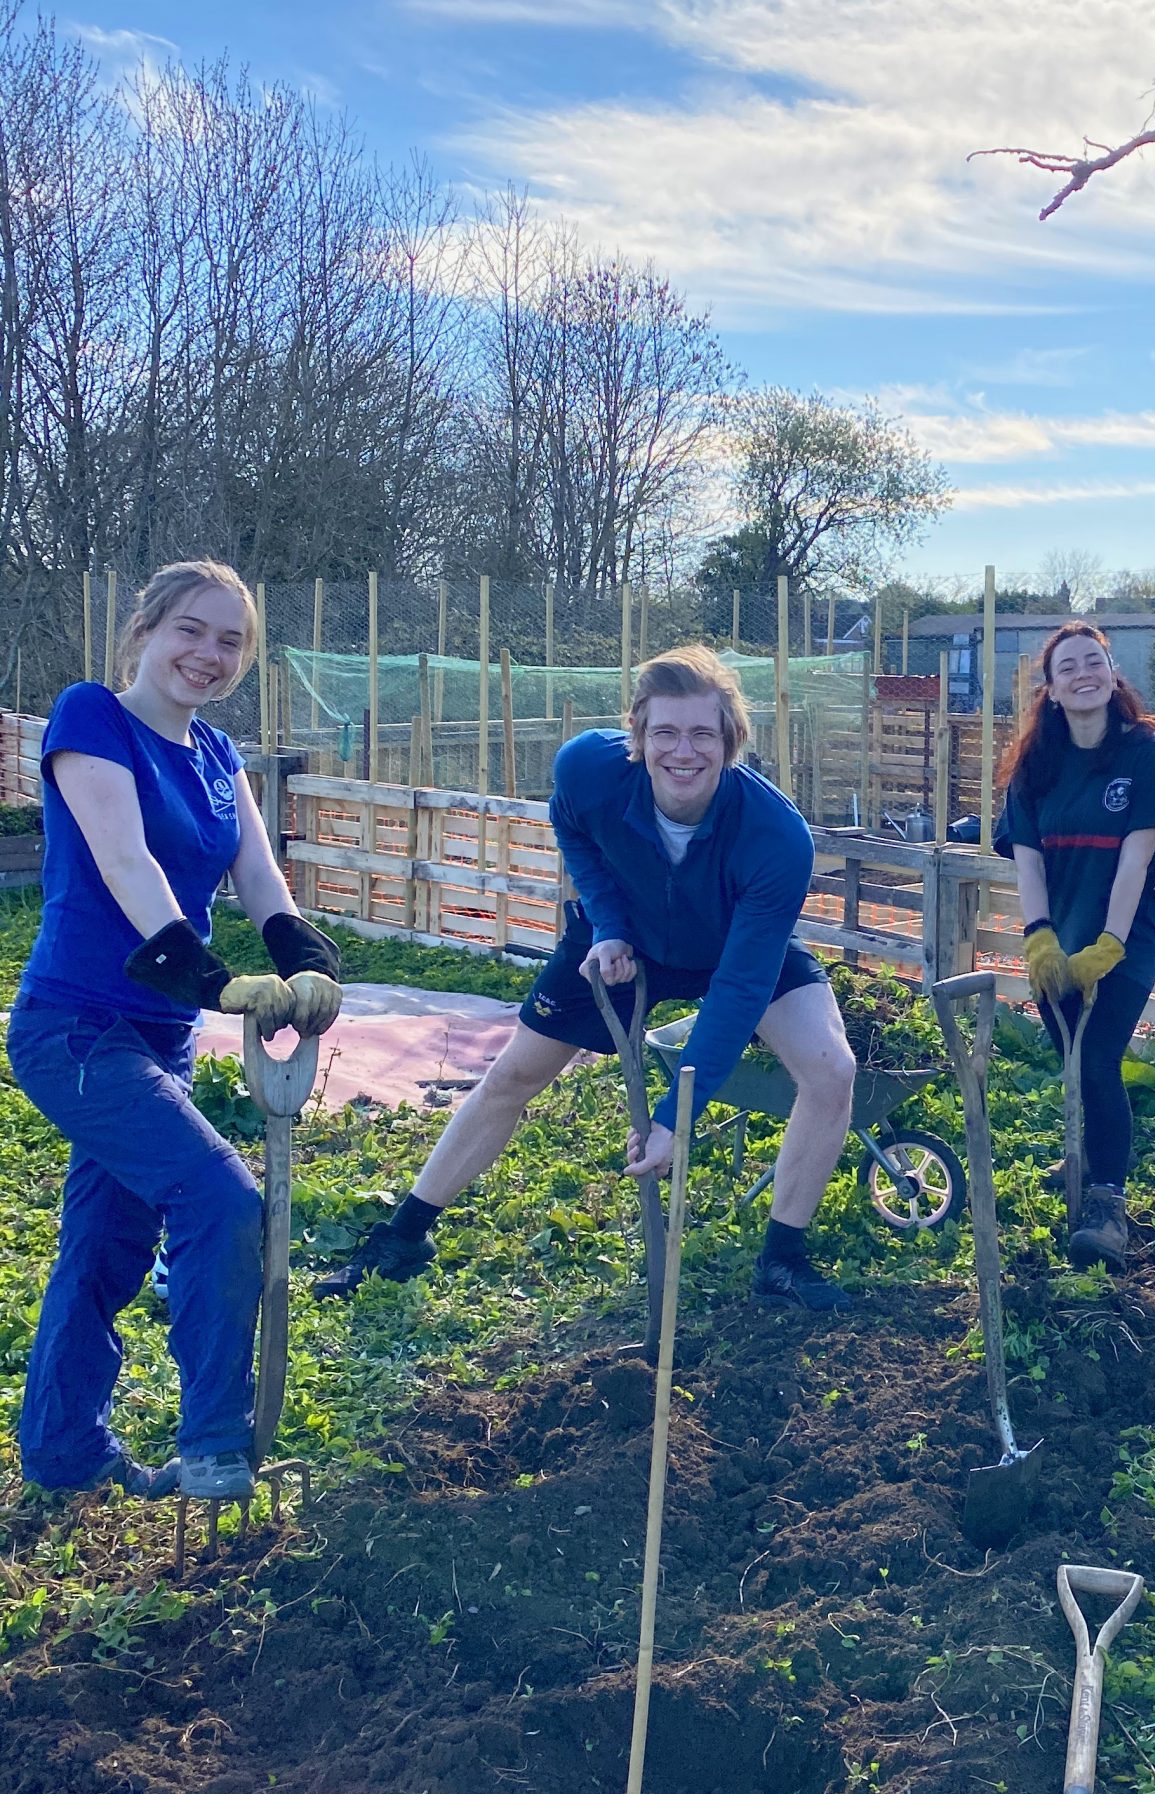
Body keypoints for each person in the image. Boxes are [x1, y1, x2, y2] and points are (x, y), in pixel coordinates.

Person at [317, 645, 859, 1314]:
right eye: (664, 732)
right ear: (637, 734)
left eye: (701, 734)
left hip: (733, 944)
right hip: (625, 937)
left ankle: (782, 1259)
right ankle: (402, 1238)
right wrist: (606, 925)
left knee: (832, 1069)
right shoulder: (588, 768)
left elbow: (740, 990)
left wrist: (674, 1121)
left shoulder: (777, 838)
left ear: (731, 739)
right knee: (511, 1077)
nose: (682, 752)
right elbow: (570, 827)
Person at [7, 561, 344, 1506]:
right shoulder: (91, 718)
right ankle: (213, 1443)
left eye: (230, 641)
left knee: (105, 1242)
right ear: (147, 629)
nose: (209, 655)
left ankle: (65, 1449)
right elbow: (126, 862)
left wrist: (307, 962)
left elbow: (262, 884)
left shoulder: (218, 755)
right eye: (192, 631)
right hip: (77, 1027)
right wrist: (208, 977)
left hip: (158, 1040)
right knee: (222, 1199)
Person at [996, 621, 1155, 1267]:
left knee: (1099, 1059)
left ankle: (1107, 1201)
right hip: (1057, 934)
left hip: (1124, 937)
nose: (1084, 673)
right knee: (1072, 1062)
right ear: (1049, 689)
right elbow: (1028, 863)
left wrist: (1108, 945)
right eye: (1068, 666)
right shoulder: (1033, 769)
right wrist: (1040, 939)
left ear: (1112, 673)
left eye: (1093, 662)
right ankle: (1084, 1151)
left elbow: (1136, 861)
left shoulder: (1146, 755)